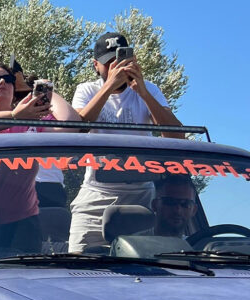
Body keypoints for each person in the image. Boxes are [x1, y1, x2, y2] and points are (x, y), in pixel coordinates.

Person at [69, 32, 185, 252]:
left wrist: (143, 93)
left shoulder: (149, 89)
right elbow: (78, 128)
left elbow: (176, 137)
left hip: (141, 195)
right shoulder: (87, 90)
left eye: (121, 61)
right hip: (96, 192)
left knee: (143, 266)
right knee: (80, 260)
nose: (117, 67)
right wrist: (109, 87)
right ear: (96, 65)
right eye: (109, 63)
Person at [0, 61, 82, 208]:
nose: (2, 82)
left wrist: (43, 89)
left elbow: (70, 125)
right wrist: (14, 116)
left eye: (9, 80)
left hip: (34, 199)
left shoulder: (29, 120)